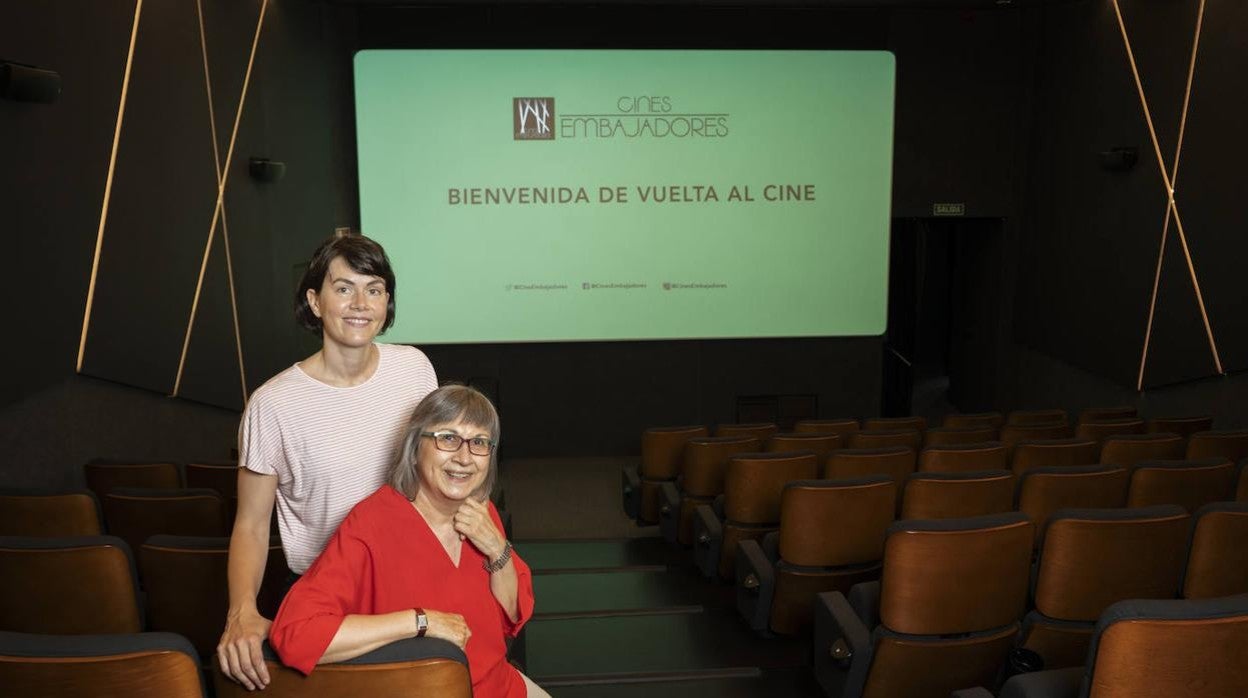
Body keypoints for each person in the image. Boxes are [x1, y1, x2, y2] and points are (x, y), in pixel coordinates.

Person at [217, 233, 438, 690]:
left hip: (411, 581)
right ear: (315, 301)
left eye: (374, 289)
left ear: (386, 303)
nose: (360, 303)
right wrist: (242, 612)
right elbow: (252, 525)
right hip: (327, 599)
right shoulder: (272, 404)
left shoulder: (415, 370)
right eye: (344, 288)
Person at [269, 385, 548, 697]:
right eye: (448, 438)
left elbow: (512, 615)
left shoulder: (483, 511)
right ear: (415, 447)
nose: (464, 457)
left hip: (499, 687)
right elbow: (297, 633)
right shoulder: (370, 523)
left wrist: (498, 548)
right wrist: (420, 621)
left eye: (479, 442)